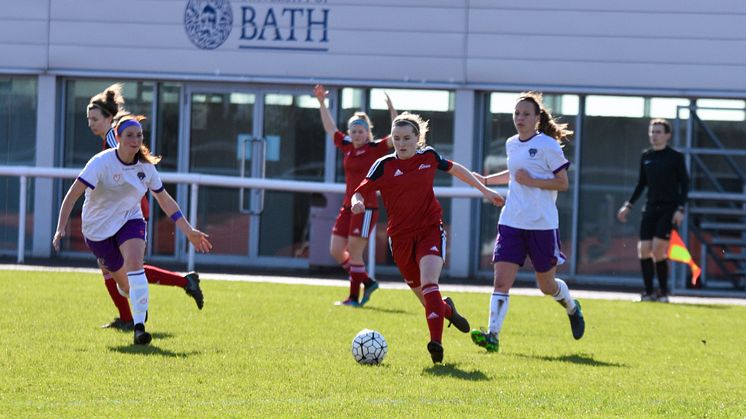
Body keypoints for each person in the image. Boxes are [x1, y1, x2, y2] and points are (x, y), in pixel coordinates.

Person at [351, 112, 505, 363]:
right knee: (428, 302)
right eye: (397, 138)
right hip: (400, 239)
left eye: (406, 138)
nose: (401, 144)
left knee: (430, 282)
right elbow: (359, 192)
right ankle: (448, 310)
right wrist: (357, 203)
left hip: (429, 230)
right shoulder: (384, 165)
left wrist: (485, 190)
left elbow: (457, 169)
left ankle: (436, 346)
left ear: (417, 138)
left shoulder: (429, 156)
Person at [53, 115, 213, 345]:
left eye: (139, 135)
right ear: (117, 137)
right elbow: (72, 195)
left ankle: (139, 329)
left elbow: (164, 199)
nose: (135, 140)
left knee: (136, 265)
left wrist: (188, 230)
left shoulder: (145, 168)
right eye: (129, 135)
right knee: (126, 287)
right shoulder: (101, 162)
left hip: (130, 219)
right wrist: (60, 228)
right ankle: (136, 298)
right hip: (97, 230)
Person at [470, 91, 585, 353]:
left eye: (525, 114)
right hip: (511, 222)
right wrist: (486, 181)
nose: (519, 118)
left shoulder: (548, 145)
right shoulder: (512, 143)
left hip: (542, 225)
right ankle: (493, 336)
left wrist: (532, 181)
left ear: (537, 118)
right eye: (517, 113)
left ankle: (571, 306)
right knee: (501, 282)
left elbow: (563, 183)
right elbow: (514, 175)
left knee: (546, 286)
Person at [86, 84, 205, 332]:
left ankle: (177, 285)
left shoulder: (114, 139)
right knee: (113, 267)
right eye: (89, 119)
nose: (91, 124)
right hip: (118, 210)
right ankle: (128, 316)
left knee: (127, 267)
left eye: (95, 118)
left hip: (127, 211)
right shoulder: (112, 139)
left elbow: (127, 176)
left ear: (110, 119)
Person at [313, 84, 397, 307]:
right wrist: (322, 103)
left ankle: (353, 298)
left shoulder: (375, 148)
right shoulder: (348, 147)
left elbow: (396, 137)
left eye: (361, 131)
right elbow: (331, 129)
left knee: (355, 251)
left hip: (366, 207)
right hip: (348, 206)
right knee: (336, 250)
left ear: (368, 132)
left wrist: (392, 111)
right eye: (353, 131)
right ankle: (367, 281)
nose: (357, 135)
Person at [616, 118, 689, 303]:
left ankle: (663, 293)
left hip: (669, 208)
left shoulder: (675, 157)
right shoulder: (646, 156)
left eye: (658, 132)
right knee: (643, 249)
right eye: (652, 131)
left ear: (667, 135)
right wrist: (628, 205)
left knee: (658, 249)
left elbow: (685, 184)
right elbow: (641, 184)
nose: (654, 135)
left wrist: (680, 208)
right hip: (650, 208)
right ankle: (648, 293)